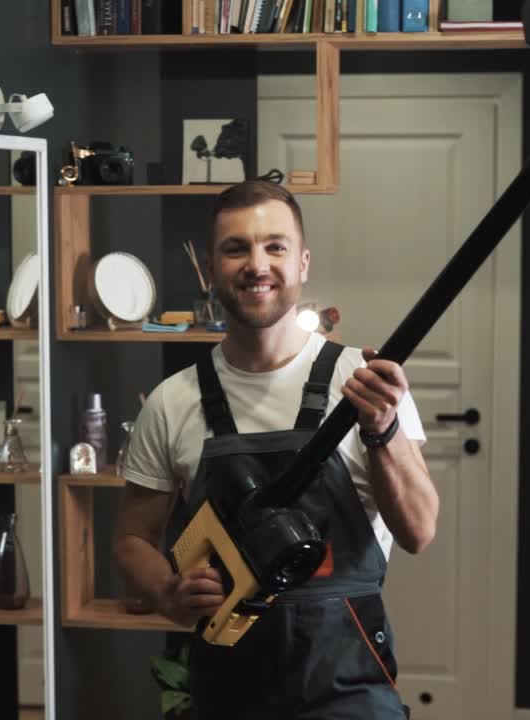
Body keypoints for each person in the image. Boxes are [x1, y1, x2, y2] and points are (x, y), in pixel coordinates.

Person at [113, 179, 439, 719]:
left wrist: (382, 431)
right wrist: (169, 593)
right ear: (212, 268)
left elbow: (419, 532)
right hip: (228, 693)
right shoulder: (173, 402)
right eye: (236, 248)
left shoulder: (364, 383)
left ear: (303, 262)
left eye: (275, 246)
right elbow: (130, 539)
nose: (256, 264)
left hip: (349, 691)